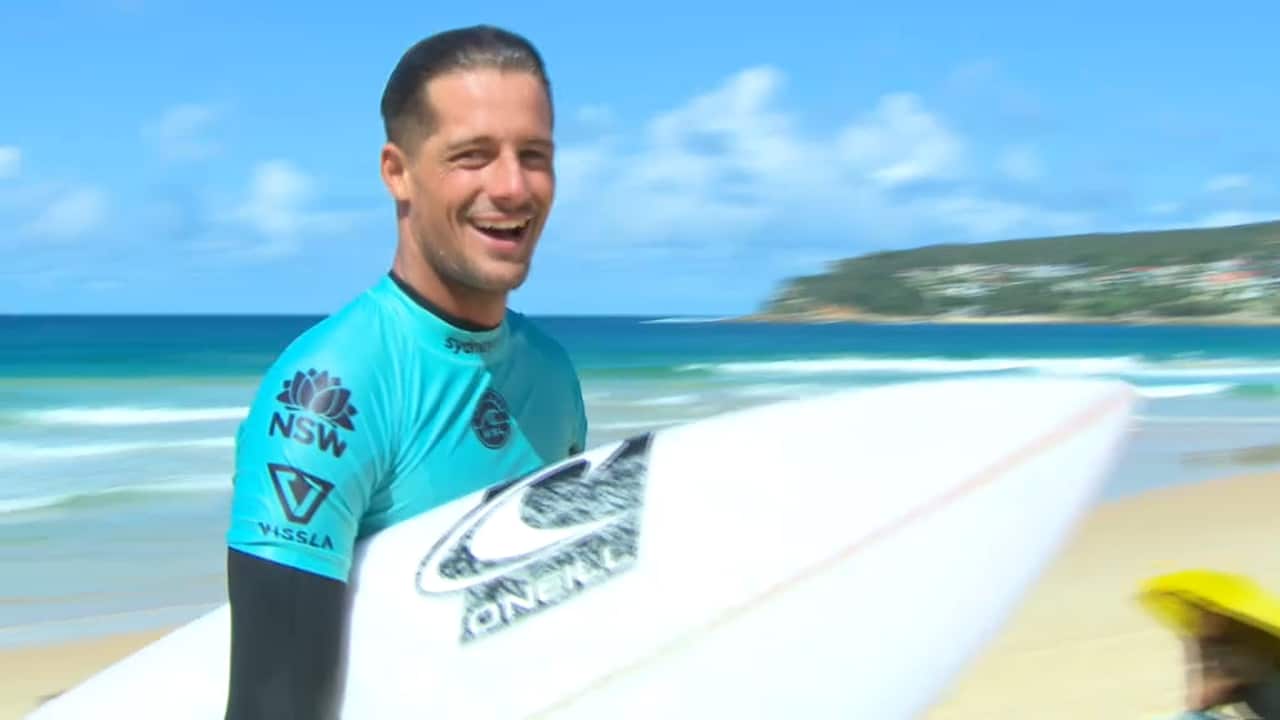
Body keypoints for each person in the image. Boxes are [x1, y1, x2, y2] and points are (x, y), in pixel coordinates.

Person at [221, 25, 587, 720]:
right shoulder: (329, 394)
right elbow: (275, 704)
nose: (512, 187)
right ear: (397, 171)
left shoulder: (552, 373)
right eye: (472, 156)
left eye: (533, 156)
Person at [1138, 570, 1280, 719]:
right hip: (1247, 696)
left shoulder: (1253, 631)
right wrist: (1201, 694)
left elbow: (1250, 667)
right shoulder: (1204, 638)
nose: (1200, 619)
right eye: (1197, 614)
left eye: (1206, 614)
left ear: (1222, 613)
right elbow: (1201, 677)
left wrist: (1221, 683)